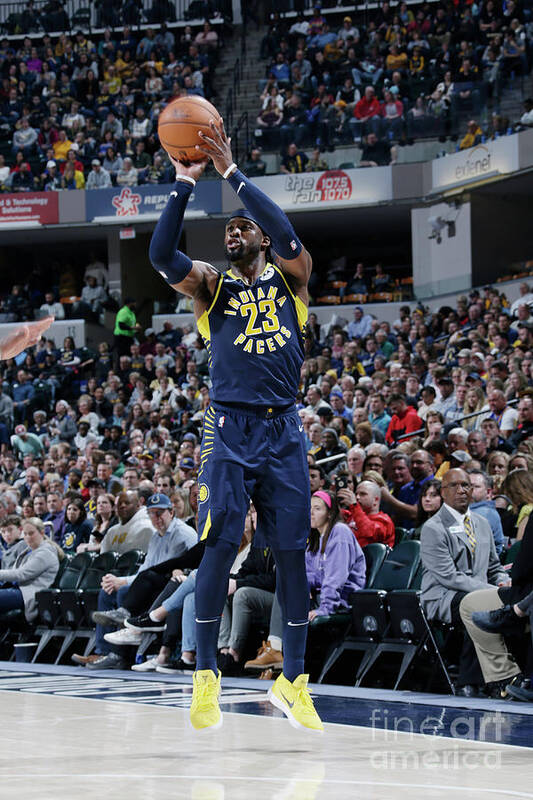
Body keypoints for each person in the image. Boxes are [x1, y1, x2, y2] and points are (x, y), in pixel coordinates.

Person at [148, 118, 322, 732]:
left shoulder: (292, 279)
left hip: (284, 432)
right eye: (230, 228)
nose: (236, 230)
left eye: (243, 225)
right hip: (230, 430)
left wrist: (233, 176)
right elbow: (160, 255)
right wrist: (183, 185)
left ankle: (293, 683)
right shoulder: (211, 288)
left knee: (292, 556)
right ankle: (204, 679)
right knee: (220, 546)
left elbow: (285, 230)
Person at [420, 468, 509, 696]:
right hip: (443, 596)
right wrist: (492, 592)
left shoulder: (481, 524)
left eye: (466, 485)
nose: (461, 490)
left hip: (479, 592)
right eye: (454, 486)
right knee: (479, 607)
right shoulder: (433, 528)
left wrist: (503, 583)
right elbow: (449, 577)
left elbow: (494, 567)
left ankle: (511, 678)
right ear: (443, 492)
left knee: (510, 605)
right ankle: (471, 682)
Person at [0, 517, 60, 622]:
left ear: (41, 533)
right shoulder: (29, 551)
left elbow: (21, 574)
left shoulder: (45, 553)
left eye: (31, 533)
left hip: (28, 595)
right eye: (25, 534)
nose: (27, 537)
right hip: (18, 590)